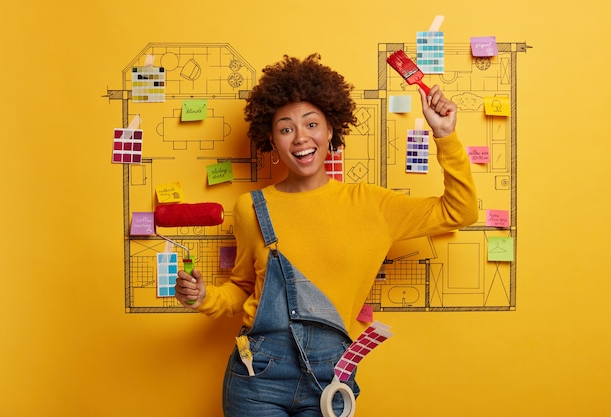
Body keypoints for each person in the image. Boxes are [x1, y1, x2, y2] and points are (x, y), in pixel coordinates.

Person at [175, 53, 478, 417]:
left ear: (331, 129)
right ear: (272, 140)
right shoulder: (250, 208)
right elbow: (242, 288)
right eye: (286, 128)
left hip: (331, 376)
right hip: (258, 377)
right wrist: (204, 296)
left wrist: (444, 134)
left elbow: (460, 211)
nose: (301, 138)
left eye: (311, 124)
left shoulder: (371, 205)